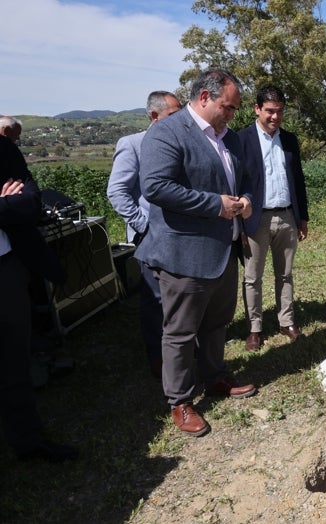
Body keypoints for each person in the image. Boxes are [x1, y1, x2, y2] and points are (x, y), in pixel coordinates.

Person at [135, 69, 256, 437]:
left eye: (235, 109)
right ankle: (181, 401)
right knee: (181, 332)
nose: (232, 115)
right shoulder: (167, 132)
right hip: (184, 255)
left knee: (217, 323)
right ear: (205, 97)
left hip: (224, 250)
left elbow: (246, 180)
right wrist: (213, 205)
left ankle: (215, 376)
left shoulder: (230, 139)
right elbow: (155, 187)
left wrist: (247, 201)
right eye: (228, 107)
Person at [1, 130, 78, 462]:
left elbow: (31, 202)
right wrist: (3, 204)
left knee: (13, 361)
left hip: (6, 269)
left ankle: (28, 442)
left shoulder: (2, 148)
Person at [106, 91, 182, 379]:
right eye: (173, 114)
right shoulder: (133, 145)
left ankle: (182, 348)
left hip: (177, 233)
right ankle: (157, 356)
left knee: (178, 294)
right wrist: (144, 225)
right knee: (155, 299)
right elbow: (117, 192)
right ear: (154, 116)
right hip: (150, 236)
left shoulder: (178, 143)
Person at [237, 84, 310, 351]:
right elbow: (235, 183)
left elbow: (298, 181)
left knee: (286, 274)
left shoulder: (289, 140)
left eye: (279, 111)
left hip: (287, 216)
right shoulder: (241, 139)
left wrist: (303, 217)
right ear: (257, 109)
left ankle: (286, 321)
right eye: (269, 111)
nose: (275, 117)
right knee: (252, 277)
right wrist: (239, 223)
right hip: (255, 218)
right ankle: (254, 328)